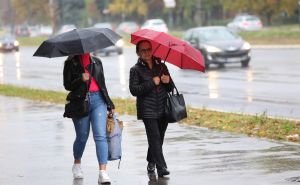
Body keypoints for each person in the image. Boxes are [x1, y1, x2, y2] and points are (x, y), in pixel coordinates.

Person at [63, 53, 115, 184]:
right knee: (82, 136)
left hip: (99, 100)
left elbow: (102, 84)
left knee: (100, 135)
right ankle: (77, 163)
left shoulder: (97, 61)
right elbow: (67, 85)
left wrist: (109, 103)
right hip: (80, 101)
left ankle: (103, 172)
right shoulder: (70, 62)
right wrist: (80, 78)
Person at [129, 40, 174, 177]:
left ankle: (151, 161)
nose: (147, 52)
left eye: (149, 49)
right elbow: (134, 90)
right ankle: (161, 168)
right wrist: (151, 83)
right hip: (147, 110)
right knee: (154, 138)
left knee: (159, 138)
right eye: (143, 50)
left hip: (163, 107)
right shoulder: (135, 70)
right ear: (138, 53)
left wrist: (168, 81)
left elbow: (171, 88)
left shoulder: (161, 66)